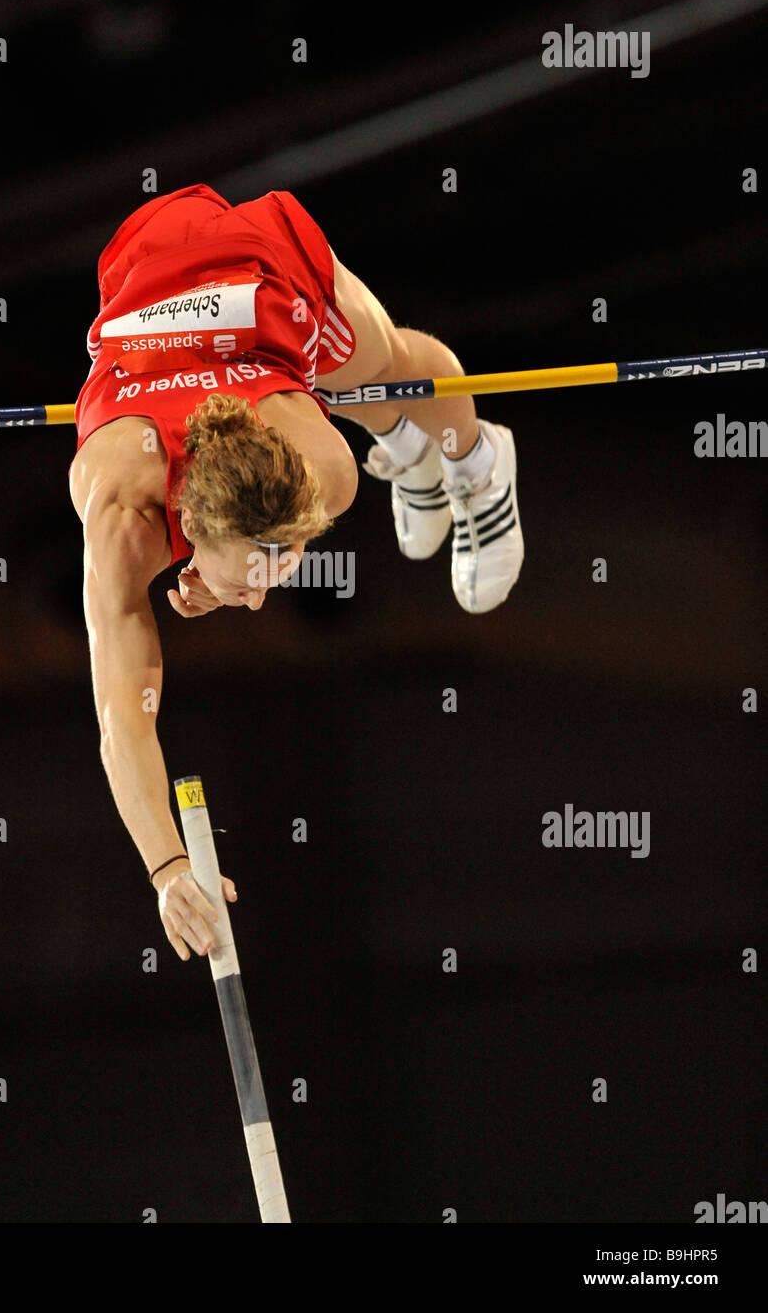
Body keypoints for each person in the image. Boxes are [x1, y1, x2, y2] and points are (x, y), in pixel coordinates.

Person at [68, 183, 523, 962]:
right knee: (372, 398)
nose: (257, 598)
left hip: (261, 285)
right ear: (188, 530)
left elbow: (283, 528)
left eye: (274, 568)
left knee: (395, 373)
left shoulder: (326, 470)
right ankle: (409, 457)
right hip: (162, 265)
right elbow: (123, 720)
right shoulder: (119, 513)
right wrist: (168, 869)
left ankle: (477, 464)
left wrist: (234, 568)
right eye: (255, 578)